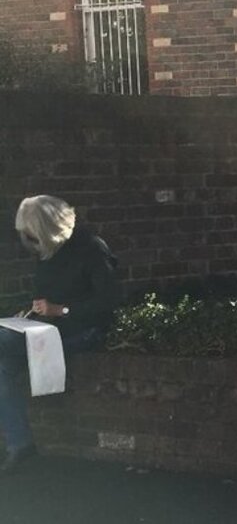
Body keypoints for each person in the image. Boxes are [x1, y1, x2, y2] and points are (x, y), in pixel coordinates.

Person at [0, 195, 121, 474]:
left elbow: (108, 301)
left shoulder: (92, 249)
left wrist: (61, 310)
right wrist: (30, 313)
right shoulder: (48, 252)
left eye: (31, 232)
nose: (27, 239)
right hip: (46, 329)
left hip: (81, 330)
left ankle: (21, 444)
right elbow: (46, 296)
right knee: (3, 368)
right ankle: (21, 445)